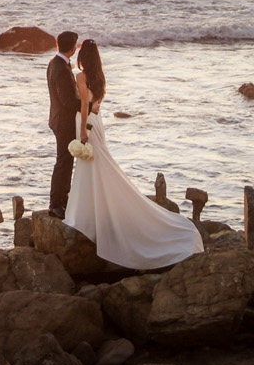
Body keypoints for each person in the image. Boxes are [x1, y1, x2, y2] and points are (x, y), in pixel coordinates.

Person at [64, 38, 205, 270]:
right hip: (96, 122)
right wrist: (89, 126)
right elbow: (96, 106)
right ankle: (92, 212)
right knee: (97, 164)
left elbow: (84, 107)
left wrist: (82, 133)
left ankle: (86, 215)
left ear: (82, 56)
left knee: (91, 166)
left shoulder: (81, 77)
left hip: (86, 122)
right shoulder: (99, 77)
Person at [45, 30, 81, 217]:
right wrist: (90, 106)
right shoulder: (61, 69)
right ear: (72, 48)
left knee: (66, 161)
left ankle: (62, 199)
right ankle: (56, 203)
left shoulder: (54, 63)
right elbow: (68, 101)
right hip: (63, 122)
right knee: (64, 162)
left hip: (58, 118)